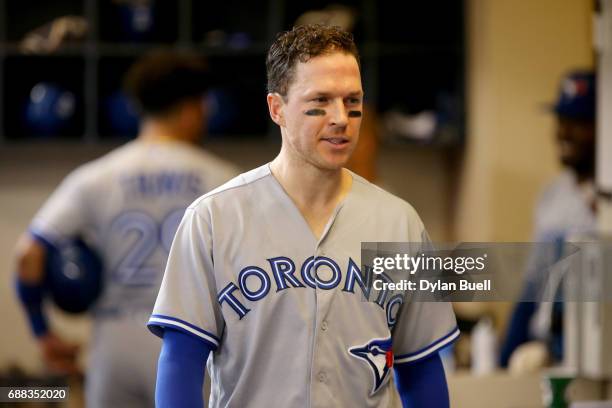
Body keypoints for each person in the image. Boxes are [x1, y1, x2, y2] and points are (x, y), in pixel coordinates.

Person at [149, 25, 459, 407]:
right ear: (276, 108)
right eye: (321, 101)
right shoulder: (214, 218)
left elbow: (421, 366)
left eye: (352, 101)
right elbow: (181, 362)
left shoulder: (400, 222)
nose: (341, 118)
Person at [14, 50, 239, 407]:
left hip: (113, 341)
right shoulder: (225, 180)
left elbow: (28, 254)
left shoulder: (95, 177)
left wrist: (44, 335)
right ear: (191, 108)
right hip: (188, 340)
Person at [500, 70, 597, 369]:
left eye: (578, 123)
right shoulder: (552, 196)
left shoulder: (604, 199)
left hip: (594, 349)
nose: (564, 133)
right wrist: (503, 359)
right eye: (561, 121)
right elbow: (533, 285)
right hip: (549, 349)